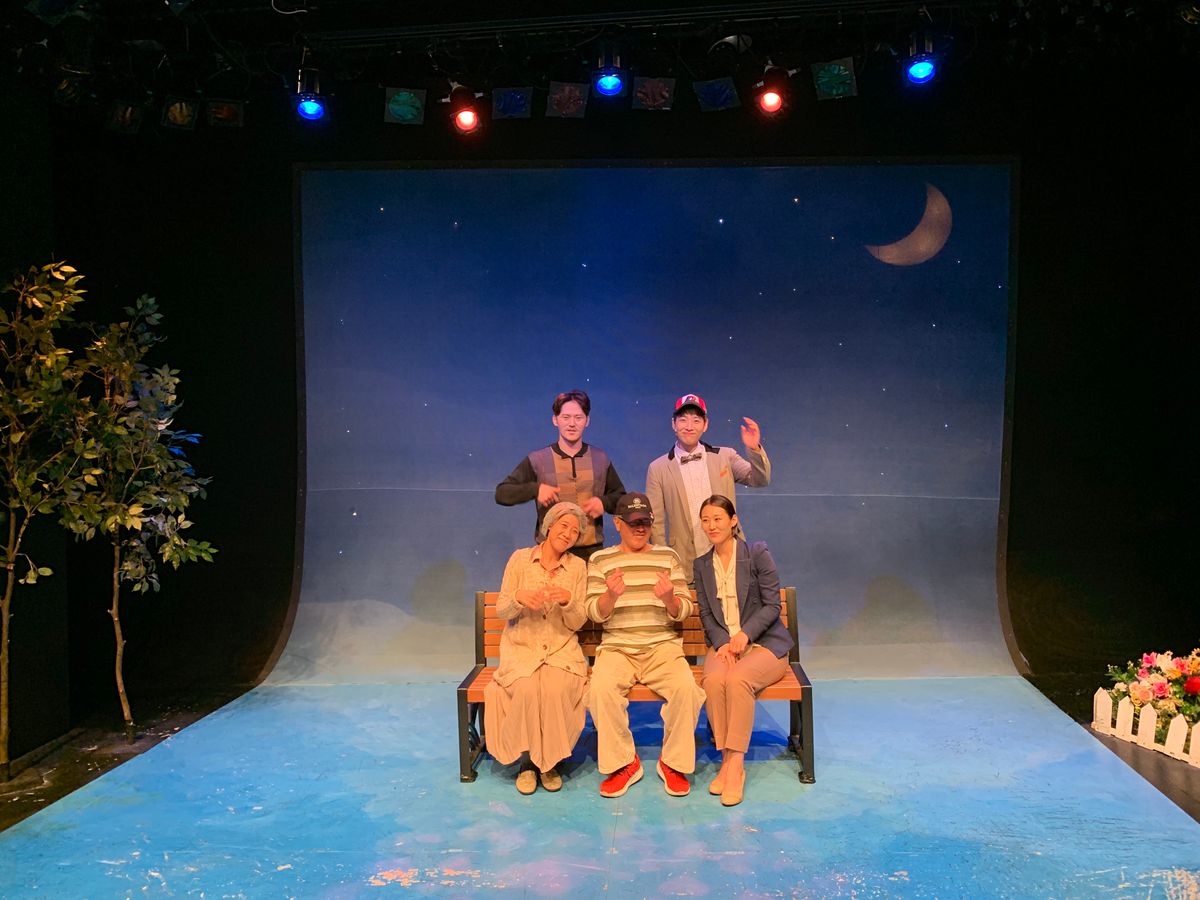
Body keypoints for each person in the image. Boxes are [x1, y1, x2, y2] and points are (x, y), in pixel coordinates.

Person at [585, 492, 705, 798]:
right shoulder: (600, 560)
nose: (640, 528)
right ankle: (624, 764)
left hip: (662, 647)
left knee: (686, 689)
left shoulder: (667, 557)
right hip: (618, 648)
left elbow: (684, 609)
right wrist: (610, 596)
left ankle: (673, 763)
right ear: (617, 524)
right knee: (600, 690)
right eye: (633, 523)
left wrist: (669, 599)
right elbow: (593, 612)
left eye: (645, 522)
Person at [693, 494, 794, 807]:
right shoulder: (701, 564)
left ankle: (735, 766)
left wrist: (745, 634)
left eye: (718, 519)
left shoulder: (756, 553)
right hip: (726, 645)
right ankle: (726, 760)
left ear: (733, 520)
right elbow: (706, 613)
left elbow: (772, 605)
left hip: (764, 645)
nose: (712, 525)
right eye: (706, 520)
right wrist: (723, 643)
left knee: (737, 680)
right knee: (713, 680)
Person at [484, 502, 590, 794]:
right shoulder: (520, 559)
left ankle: (549, 762)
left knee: (555, 690)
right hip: (522, 649)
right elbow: (502, 609)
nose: (568, 534)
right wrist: (519, 597)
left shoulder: (578, 567)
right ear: (549, 526)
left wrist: (568, 601)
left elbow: (578, 622)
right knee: (527, 689)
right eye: (563, 526)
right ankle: (528, 762)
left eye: (575, 531)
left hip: (560, 650)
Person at [645, 393, 771, 582]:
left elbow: (760, 479)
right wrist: (664, 563)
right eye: (683, 420)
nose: (689, 426)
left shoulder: (725, 456)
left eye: (696, 420)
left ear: (705, 425)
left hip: (729, 554)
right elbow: (656, 523)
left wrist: (754, 450)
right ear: (673, 424)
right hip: (685, 560)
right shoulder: (658, 468)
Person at [496, 390, 626, 561]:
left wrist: (604, 503)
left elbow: (621, 498)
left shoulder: (600, 459)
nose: (572, 423)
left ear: (587, 421)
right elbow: (502, 493)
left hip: (590, 554)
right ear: (555, 420)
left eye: (578, 417)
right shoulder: (538, 460)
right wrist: (535, 490)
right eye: (566, 417)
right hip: (550, 554)